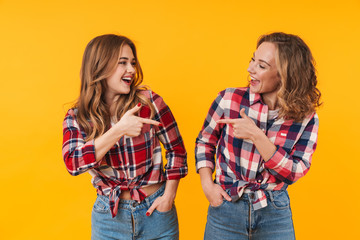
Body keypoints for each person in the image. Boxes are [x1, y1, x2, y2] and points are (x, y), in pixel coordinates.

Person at [195, 32, 321, 240]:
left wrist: (257, 136)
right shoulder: (229, 99)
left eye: (261, 66)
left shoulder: (306, 118)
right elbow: (205, 142)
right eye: (252, 60)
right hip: (227, 205)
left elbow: (295, 171)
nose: (250, 69)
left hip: (274, 211)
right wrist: (208, 185)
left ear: (285, 75)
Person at [62, 34, 187, 240]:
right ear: (99, 67)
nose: (131, 69)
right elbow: (73, 164)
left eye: (132, 63)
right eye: (123, 63)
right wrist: (119, 129)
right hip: (108, 218)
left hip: (156, 212)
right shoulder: (77, 117)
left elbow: (177, 150)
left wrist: (169, 196)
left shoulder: (148, 102)